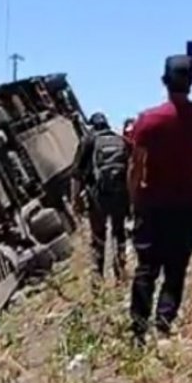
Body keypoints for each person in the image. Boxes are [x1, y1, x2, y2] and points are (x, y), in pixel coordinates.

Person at [126, 55, 192, 344]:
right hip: (189, 204)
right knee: (176, 268)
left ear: (164, 82)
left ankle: (138, 330)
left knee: (146, 268)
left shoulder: (148, 120)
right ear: (190, 82)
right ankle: (163, 325)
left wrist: (135, 200)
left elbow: (136, 166)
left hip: (153, 203)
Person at [71, 112, 132, 280]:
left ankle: (98, 278)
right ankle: (121, 273)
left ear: (92, 126)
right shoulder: (120, 140)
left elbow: (76, 174)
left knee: (98, 236)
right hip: (120, 195)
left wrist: (75, 199)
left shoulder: (87, 141)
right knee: (119, 233)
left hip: (98, 196)